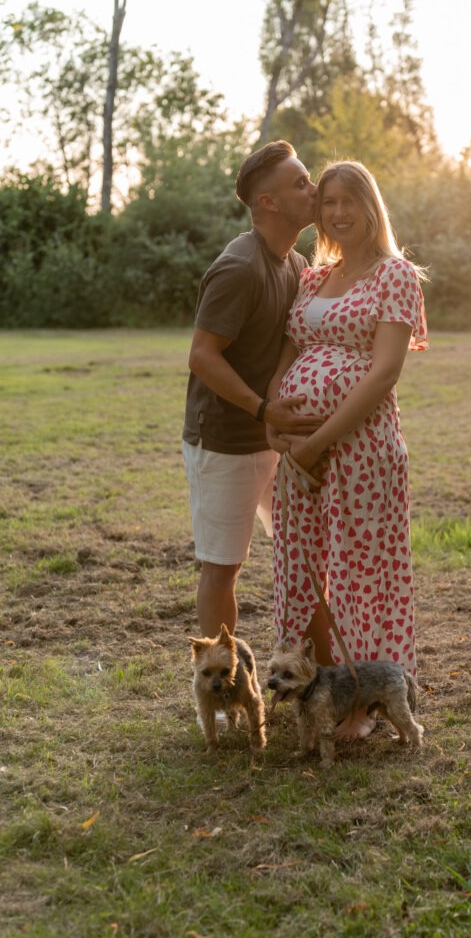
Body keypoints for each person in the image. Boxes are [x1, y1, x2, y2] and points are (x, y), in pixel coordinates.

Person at [266, 160, 428, 739]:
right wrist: (275, 426)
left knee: (364, 572)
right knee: (302, 567)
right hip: (297, 453)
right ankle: (313, 692)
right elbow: (288, 357)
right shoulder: (312, 277)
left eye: (349, 201)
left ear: (371, 206)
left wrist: (316, 441)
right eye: (328, 201)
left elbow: (384, 373)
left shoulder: (395, 275)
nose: (337, 211)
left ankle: (366, 706)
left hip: (361, 451)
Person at [182, 140, 322, 640]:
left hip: (274, 438)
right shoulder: (240, 267)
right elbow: (202, 356)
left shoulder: (296, 264)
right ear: (270, 203)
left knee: (306, 550)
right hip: (224, 442)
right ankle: (222, 683)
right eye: (301, 183)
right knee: (223, 568)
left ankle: (312, 671)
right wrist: (264, 408)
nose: (314, 189)